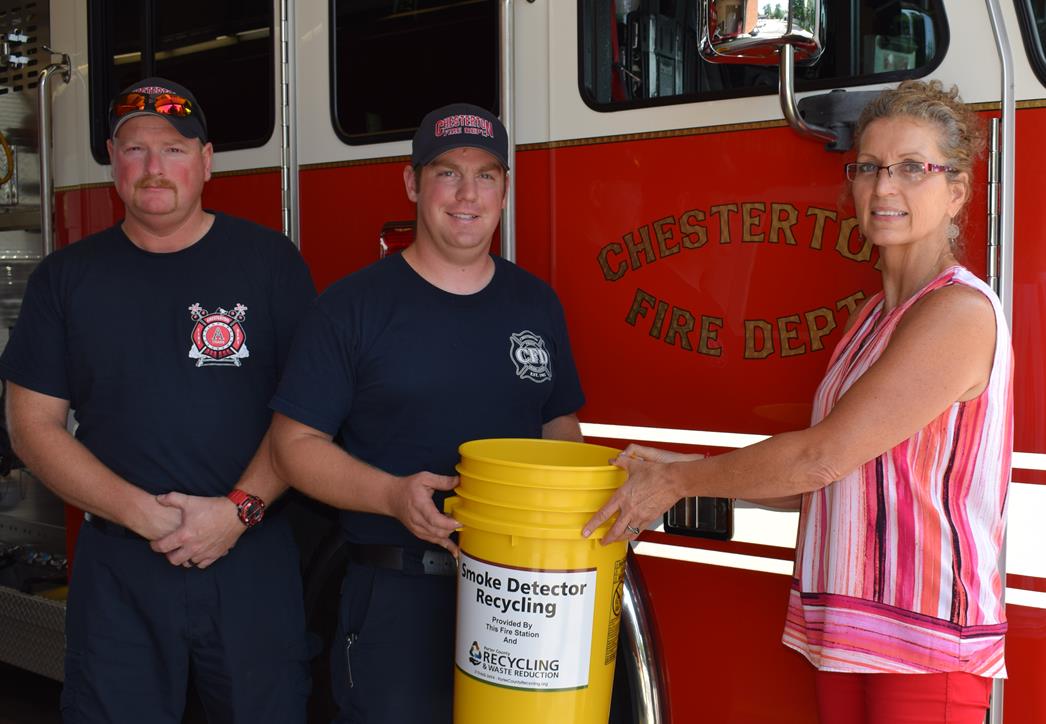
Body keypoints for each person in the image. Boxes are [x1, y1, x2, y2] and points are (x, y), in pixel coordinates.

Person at [583, 80, 1011, 724]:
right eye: (868, 167)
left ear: (957, 191)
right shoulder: (873, 318)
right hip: (846, 637)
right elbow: (824, 482)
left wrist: (676, 480)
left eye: (912, 168)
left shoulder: (956, 311)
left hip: (924, 646)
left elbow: (819, 458)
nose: (884, 186)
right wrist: (672, 466)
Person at [1, 77, 315, 723]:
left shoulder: (271, 264)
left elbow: (307, 412)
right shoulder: (66, 278)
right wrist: (142, 514)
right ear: (113, 162)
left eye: (172, 148)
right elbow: (33, 426)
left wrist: (236, 512)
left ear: (205, 161)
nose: (153, 167)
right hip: (120, 568)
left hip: (250, 559)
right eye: (134, 148)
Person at [269, 102, 585, 724]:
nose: (467, 194)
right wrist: (391, 496)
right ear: (413, 184)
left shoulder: (535, 302)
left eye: (486, 175)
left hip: (524, 597)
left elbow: (556, 424)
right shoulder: (352, 307)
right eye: (447, 172)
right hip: (398, 594)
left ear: (504, 190)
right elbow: (292, 445)